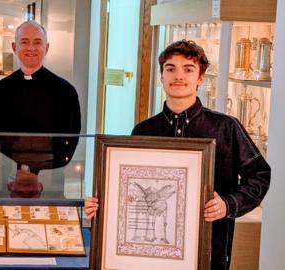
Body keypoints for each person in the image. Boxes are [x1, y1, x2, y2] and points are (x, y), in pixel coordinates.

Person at [85, 40, 270, 270]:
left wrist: (228, 204)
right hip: (149, 251)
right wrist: (104, 205)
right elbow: (131, 187)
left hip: (208, 248)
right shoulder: (143, 131)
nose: (178, 76)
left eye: (188, 69)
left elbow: (260, 175)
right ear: (161, 76)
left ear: (200, 78)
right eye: (170, 68)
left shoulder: (226, 127)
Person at [0, 21, 81, 198]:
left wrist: (41, 172)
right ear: (15, 47)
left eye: (37, 42)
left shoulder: (65, 91)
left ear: (46, 48)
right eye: (24, 42)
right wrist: (20, 170)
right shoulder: (0, 90)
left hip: (50, 178)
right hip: (10, 177)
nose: (31, 47)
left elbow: (70, 139)